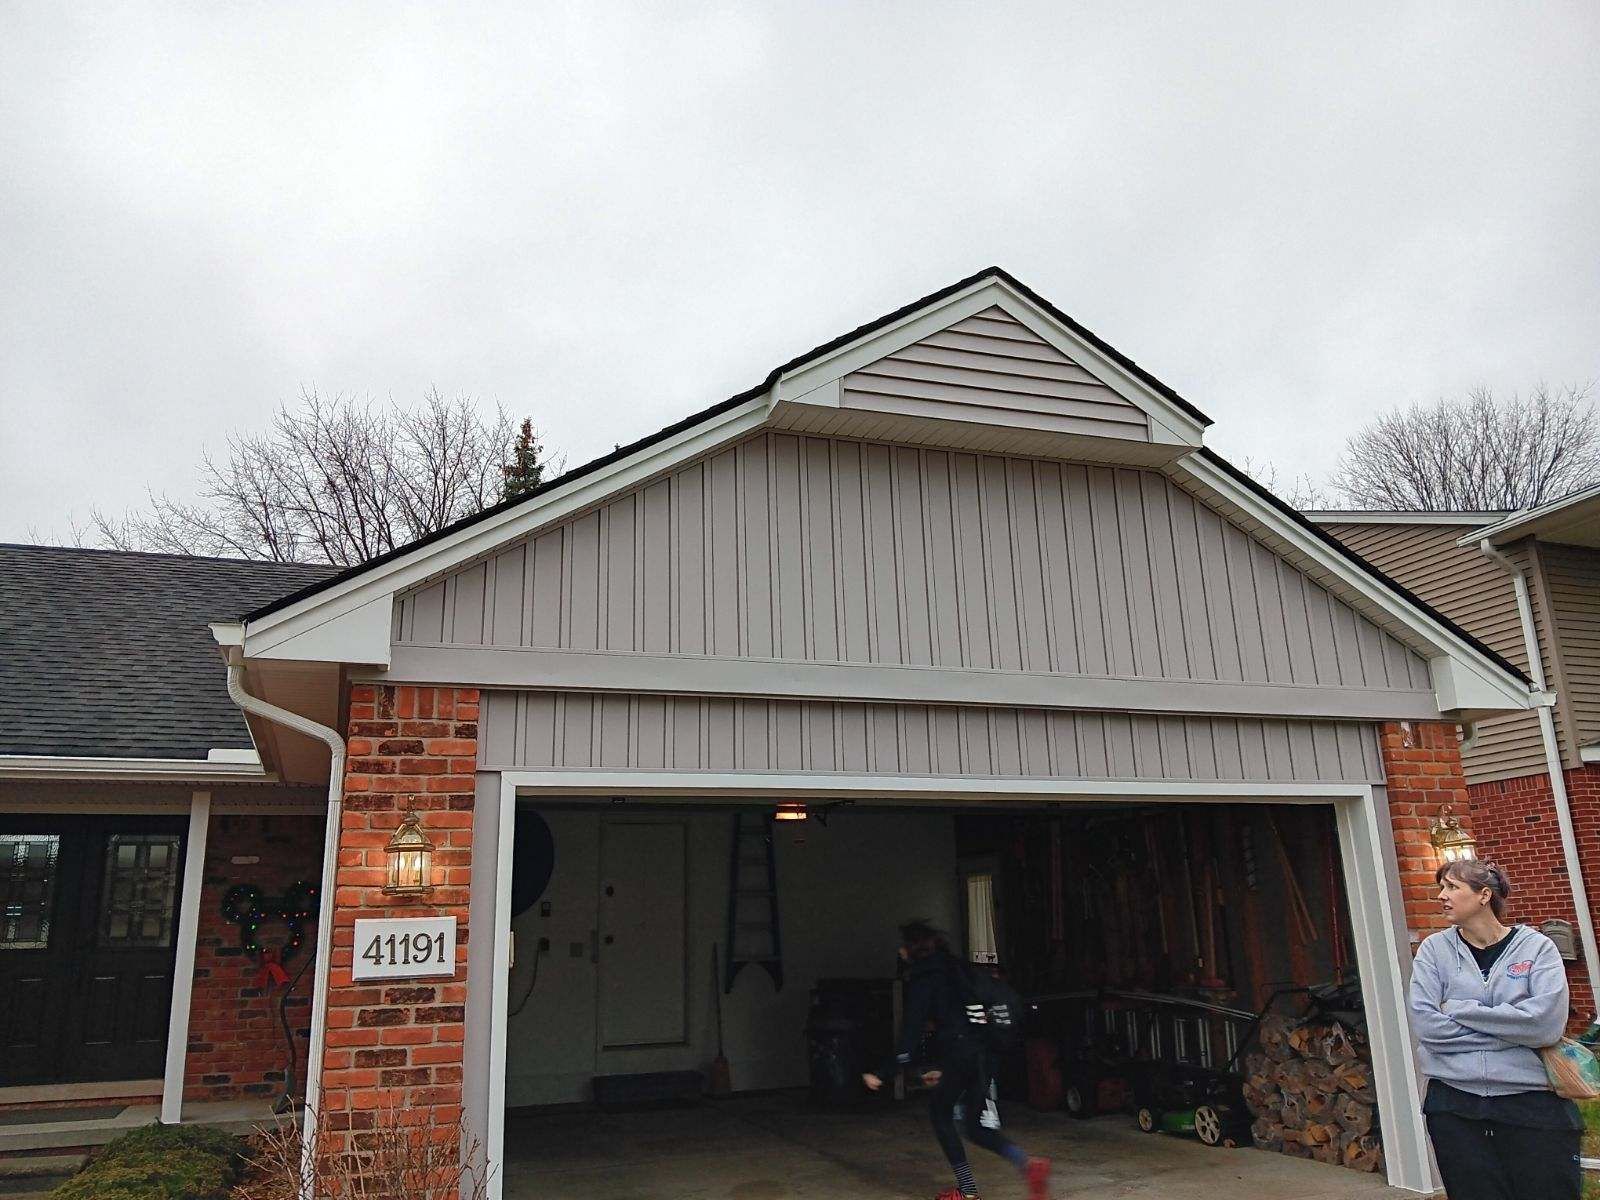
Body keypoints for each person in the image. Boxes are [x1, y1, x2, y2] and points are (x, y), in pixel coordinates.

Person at [1407, 859, 1581, 1200]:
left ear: (1484, 895)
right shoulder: (1433, 951)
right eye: (1441, 888)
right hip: (1455, 1106)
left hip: (1532, 1104)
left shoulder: (1537, 948)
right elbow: (1428, 1027)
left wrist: (1459, 1009)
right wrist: (1513, 1031)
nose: (1442, 896)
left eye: (1452, 887)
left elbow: (1545, 1025)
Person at [862, 920, 1050, 1200]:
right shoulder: (959, 968)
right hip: (983, 1056)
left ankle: (969, 1192)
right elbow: (965, 1021)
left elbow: (910, 1040)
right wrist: (943, 1067)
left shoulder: (924, 981)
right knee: (975, 1125)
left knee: (940, 1114)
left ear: (913, 950)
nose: (900, 951)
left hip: (961, 1056)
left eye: (903, 946)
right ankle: (1027, 1163)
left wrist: (882, 1072)